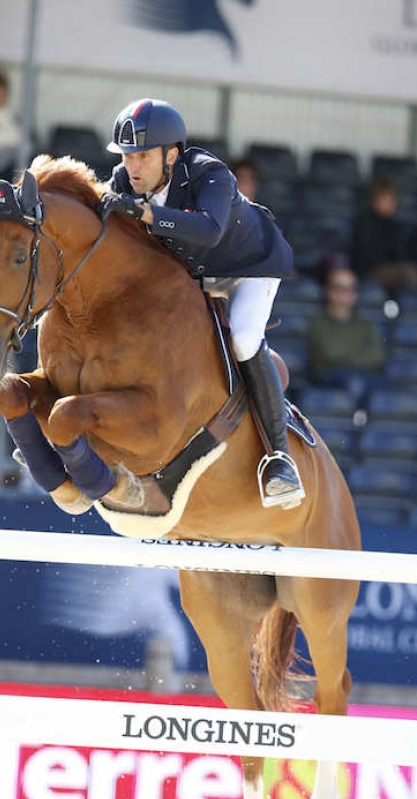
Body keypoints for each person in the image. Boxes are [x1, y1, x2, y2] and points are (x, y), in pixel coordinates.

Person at [100, 98, 302, 510]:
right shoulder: (124, 181)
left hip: (248, 269)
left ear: (171, 154)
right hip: (192, 275)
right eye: (126, 156)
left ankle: (278, 459)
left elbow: (209, 229)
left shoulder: (211, 173)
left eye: (142, 156)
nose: (132, 166)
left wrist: (145, 216)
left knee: (243, 340)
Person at [307, 267, 385, 398]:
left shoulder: (365, 323)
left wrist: (345, 358)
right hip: (328, 378)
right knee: (354, 383)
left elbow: (377, 355)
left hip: (363, 376)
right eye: (339, 287)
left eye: (350, 288)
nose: (345, 293)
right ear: (328, 291)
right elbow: (330, 354)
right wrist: (359, 355)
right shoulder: (317, 322)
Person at [350, 177, 417, 294]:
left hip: (391, 270)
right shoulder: (363, 223)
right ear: (374, 200)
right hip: (368, 272)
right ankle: (413, 306)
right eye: (384, 199)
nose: (389, 204)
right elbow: (367, 256)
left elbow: (402, 254)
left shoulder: (396, 225)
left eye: (391, 199)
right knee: (409, 273)